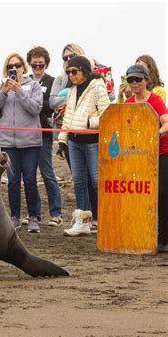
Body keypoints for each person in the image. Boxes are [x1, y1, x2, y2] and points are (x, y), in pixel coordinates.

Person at [0, 53, 43, 233]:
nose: (15, 69)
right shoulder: (0, 87)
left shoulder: (33, 85)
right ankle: (15, 217)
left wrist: (19, 91)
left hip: (30, 142)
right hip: (8, 141)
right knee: (12, 181)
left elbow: (35, 109)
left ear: (23, 68)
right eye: (11, 66)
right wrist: (3, 92)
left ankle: (33, 217)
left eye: (18, 65)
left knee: (29, 180)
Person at [56, 56, 110, 236]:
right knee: (79, 182)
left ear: (85, 70)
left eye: (74, 71)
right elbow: (68, 117)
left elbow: (107, 115)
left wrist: (89, 122)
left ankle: (104, 218)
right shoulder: (72, 90)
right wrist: (62, 141)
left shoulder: (98, 88)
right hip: (74, 141)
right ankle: (83, 221)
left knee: (96, 182)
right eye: (68, 72)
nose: (71, 75)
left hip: (92, 142)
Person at [121, 64, 168, 253]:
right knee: (139, 194)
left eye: (138, 79)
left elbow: (166, 122)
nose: (134, 83)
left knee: (163, 194)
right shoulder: (129, 102)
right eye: (130, 80)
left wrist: (155, 135)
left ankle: (164, 239)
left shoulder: (155, 100)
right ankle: (141, 235)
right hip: (138, 155)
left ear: (146, 80)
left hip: (161, 152)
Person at [24, 46, 63, 227]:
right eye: (34, 64)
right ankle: (35, 214)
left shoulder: (53, 81)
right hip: (27, 133)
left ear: (46, 64)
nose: (37, 67)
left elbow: (53, 104)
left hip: (44, 132)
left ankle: (56, 213)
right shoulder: (25, 80)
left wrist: (36, 104)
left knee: (47, 173)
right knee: (30, 176)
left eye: (41, 64)